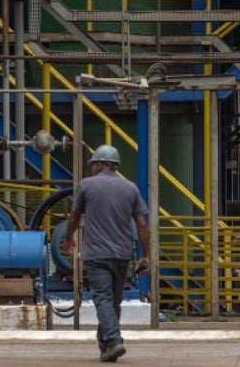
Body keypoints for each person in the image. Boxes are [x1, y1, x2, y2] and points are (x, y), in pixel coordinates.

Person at [61, 144, 152, 363]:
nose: (92, 168)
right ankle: (106, 349)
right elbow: (141, 224)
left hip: (97, 254)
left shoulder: (87, 185)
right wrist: (146, 255)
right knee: (113, 302)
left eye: (93, 164)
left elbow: (74, 217)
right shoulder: (130, 188)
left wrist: (68, 238)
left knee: (103, 299)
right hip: (122, 254)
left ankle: (113, 340)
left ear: (100, 164)